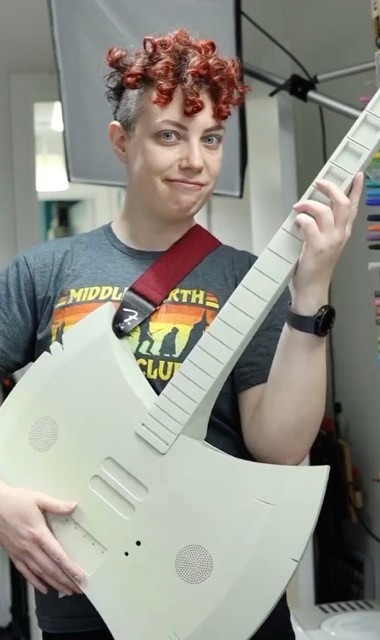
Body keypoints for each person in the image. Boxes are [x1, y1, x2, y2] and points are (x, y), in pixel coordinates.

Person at [0, 28, 363, 640]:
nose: (196, 161)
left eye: (211, 138)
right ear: (122, 140)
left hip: (217, 590)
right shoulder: (44, 272)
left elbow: (278, 446)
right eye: (170, 135)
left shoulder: (245, 279)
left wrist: (312, 289)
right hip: (81, 601)